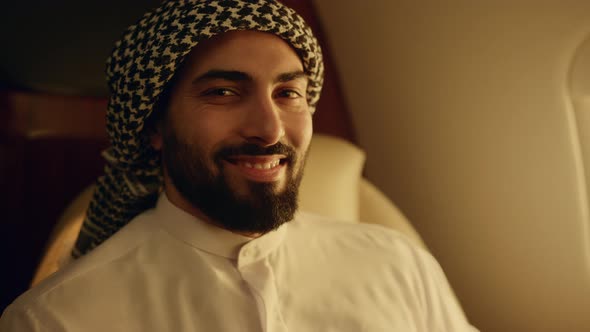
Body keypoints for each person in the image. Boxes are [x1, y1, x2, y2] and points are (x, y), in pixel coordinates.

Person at [0, 0, 479, 331]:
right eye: (223, 93)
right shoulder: (59, 316)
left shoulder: (396, 263)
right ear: (154, 127)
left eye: (288, 93)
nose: (269, 130)